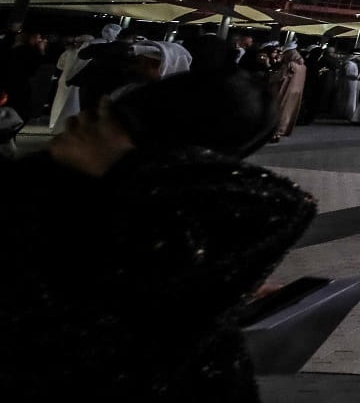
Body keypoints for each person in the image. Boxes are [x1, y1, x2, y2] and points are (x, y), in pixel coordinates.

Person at [0, 39, 317, 401]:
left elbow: (279, 204)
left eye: (117, 120)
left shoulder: (149, 217)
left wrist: (214, 285)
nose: (86, 119)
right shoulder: (42, 196)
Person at [268, 42, 306, 142]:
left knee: (279, 110)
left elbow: (280, 76)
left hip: (284, 91)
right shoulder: (303, 66)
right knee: (289, 112)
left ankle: (275, 133)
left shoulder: (289, 64)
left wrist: (269, 74)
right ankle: (283, 130)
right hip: (296, 92)